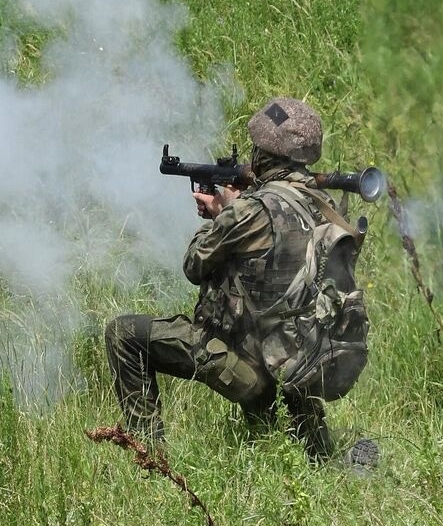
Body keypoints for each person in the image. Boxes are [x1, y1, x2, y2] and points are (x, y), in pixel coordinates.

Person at [106, 97, 367, 461]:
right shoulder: (324, 206)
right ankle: (316, 447)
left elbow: (194, 266)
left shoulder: (252, 211)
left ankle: (149, 457)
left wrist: (220, 217)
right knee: (311, 463)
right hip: (300, 366)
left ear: (265, 154)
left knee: (123, 334)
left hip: (253, 372)